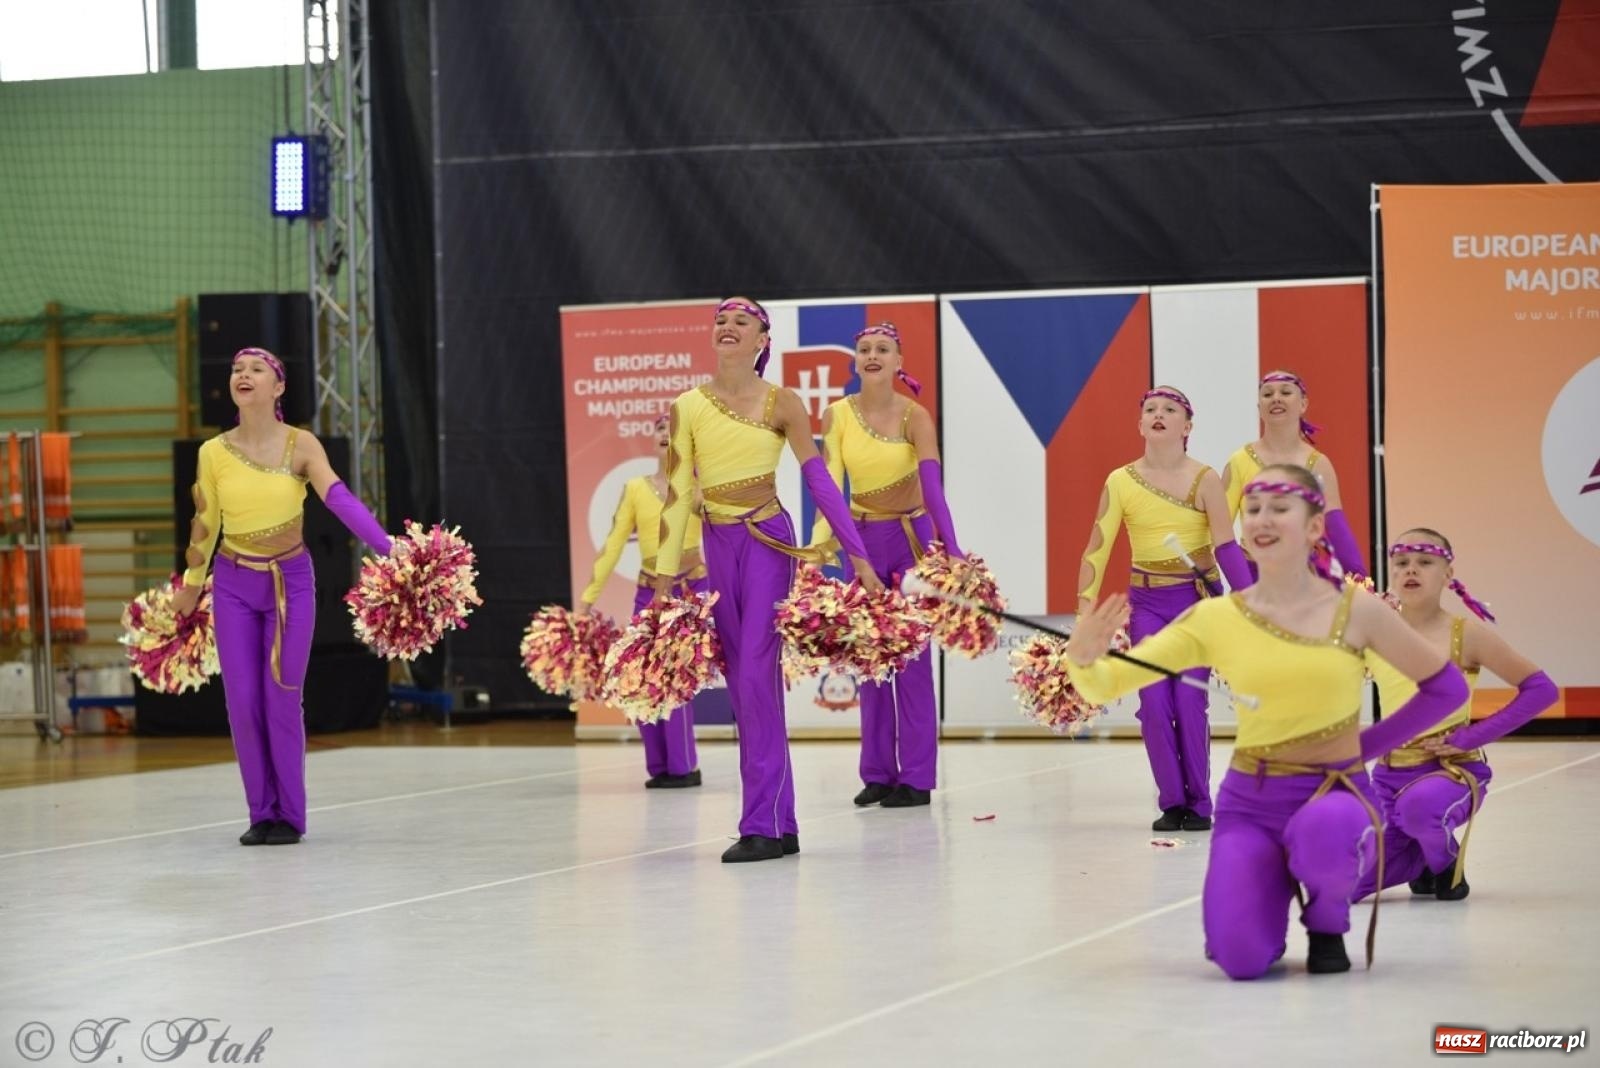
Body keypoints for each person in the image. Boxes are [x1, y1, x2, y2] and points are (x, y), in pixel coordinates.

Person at [1066, 465, 1470, 978]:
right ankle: (1266, 892)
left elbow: (1446, 688)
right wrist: (1082, 661)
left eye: (1280, 508)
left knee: (1327, 832)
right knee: (1239, 961)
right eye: (1253, 508)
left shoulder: (1357, 611)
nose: (1262, 518)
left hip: (1332, 791)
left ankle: (1327, 919)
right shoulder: (1217, 617)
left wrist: (1365, 747)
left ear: (1315, 527)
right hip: (1250, 802)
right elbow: (1107, 682)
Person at [655, 297, 882, 863]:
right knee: (741, 679)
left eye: (742, 322)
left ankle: (760, 823)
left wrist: (856, 556)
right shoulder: (687, 405)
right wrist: (664, 578)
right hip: (715, 543)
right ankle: (781, 823)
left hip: (767, 542)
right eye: (721, 321)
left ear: (762, 340)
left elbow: (821, 483)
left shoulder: (784, 402)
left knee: (757, 671)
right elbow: (680, 493)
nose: (728, 328)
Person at [176, 347, 392, 846]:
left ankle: (290, 817)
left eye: (256, 370)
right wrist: (191, 588)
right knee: (242, 703)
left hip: (289, 584)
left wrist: (389, 548)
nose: (243, 375)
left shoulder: (302, 444)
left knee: (281, 697)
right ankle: (261, 813)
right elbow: (205, 525)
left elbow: (339, 498)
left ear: (278, 388)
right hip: (231, 585)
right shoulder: (212, 452)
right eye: (235, 369)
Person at [1076, 386, 1253, 832]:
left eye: (1169, 410)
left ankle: (1200, 801)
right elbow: (1097, 549)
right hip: (1147, 604)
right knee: (1153, 703)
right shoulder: (1121, 480)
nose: (1158, 415)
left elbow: (1227, 547)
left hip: (1194, 605)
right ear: (1140, 425)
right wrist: (1084, 615)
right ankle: (1171, 800)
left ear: (1187, 427)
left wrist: (1252, 601)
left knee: (1190, 700)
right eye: (1150, 410)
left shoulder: (1205, 478)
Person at [808, 322, 961, 809]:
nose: (872, 355)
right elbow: (829, 488)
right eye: (864, 349)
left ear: (899, 362)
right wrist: (819, 551)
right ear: (855, 360)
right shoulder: (836, 416)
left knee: (912, 663)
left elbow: (932, 486)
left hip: (911, 539)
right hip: (862, 539)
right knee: (870, 658)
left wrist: (953, 552)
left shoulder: (916, 416)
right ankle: (877, 772)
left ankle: (916, 777)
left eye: (883, 349)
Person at [1356, 529, 1556, 900]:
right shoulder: (1375, 632)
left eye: (1425, 562)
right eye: (1401, 563)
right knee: (1346, 882)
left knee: (1419, 808)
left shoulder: (1467, 635)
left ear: (1448, 575)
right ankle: (1422, 856)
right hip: (1388, 777)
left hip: (1450, 772)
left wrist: (1470, 737)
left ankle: (1445, 862)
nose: (1410, 570)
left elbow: (1541, 690)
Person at [578, 414, 708, 789]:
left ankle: (684, 767)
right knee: (643, 676)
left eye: (675, 430)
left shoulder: (698, 488)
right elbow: (615, 543)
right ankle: (660, 767)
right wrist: (588, 598)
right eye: (660, 429)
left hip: (690, 591)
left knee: (677, 675)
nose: (666, 435)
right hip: (650, 593)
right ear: (652, 440)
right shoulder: (635, 488)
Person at [1222, 370, 1366, 578]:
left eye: (1286, 392)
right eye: (1268, 394)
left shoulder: (1318, 464)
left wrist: (1360, 580)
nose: (1276, 398)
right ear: (1259, 408)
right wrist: (1241, 583)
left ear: (1303, 404)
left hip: (1304, 576)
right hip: (1254, 575)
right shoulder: (1239, 461)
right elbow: (1220, 531)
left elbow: (1336, 529)